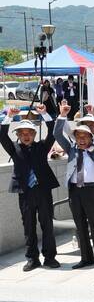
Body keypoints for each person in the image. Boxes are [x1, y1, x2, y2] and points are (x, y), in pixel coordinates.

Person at [53, 100, 94, 270]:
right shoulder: (71, 149)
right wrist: (63, 115)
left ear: (90, 138)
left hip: (92, 191)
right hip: (75, 191)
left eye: (84, 136)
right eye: (78, 137)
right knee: (80, 225)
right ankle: (86, 257)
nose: (81, 140)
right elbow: (57, 134)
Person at [1, 104, 60, 271]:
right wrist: (9, 116)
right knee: (28, 226)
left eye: (29, 133)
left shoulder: (42, 147)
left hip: (43, 191)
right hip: (25, 192)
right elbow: (2, 135)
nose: (26, 136)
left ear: (34, 135)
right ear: (18, 136)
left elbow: (53, 131)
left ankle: (50, 257)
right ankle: (32, 259)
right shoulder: (14, 148)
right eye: (22, 134)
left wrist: (44, 113)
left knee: (47, 224)